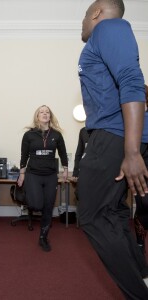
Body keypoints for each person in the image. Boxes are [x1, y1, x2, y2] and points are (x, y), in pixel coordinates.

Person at [77, 0, 148, 298]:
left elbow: (132, 80)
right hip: (118, 136)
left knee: (92, 216)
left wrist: (131, 152)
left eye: (84, 16)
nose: (81, 23)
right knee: (115, 214)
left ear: (95, 13)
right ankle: (143, 279)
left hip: (114, 137)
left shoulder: (108, 28)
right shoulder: (106, 38)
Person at [17, 105, 68, 252]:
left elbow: (63, 153)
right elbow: (24, 155)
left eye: (47, 112)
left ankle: (43, 237)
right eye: (42, 112)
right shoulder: (29, 135)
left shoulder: (56, 135)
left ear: (50, 116)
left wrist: (65, 169)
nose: (45, 114)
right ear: (37, 116)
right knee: (37, 205)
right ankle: (31, 195)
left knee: (48, 207)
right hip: (33, 174)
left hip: (51, 175)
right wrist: (22, 174)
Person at [134, 84, 148, 255]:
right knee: (143, 204)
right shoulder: (130, 116)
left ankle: (139, 246)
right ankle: (139, 245)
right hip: (138, 164)